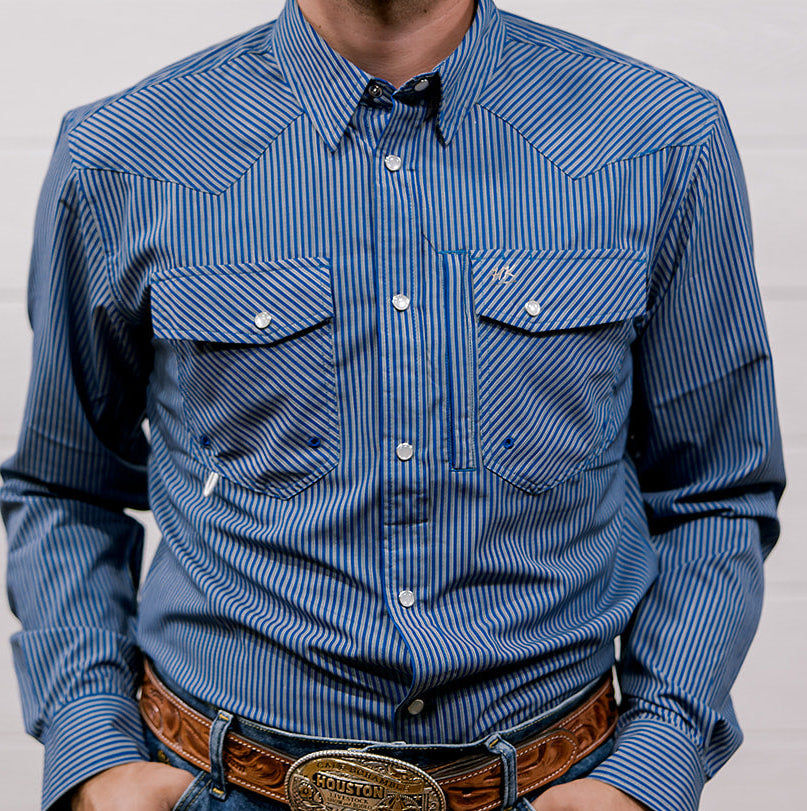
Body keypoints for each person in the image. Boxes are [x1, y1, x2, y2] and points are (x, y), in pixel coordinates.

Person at [1, 0, 785, 810]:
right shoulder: (123, 155)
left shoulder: (660, 139)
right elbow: (65, 486)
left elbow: (714, 490)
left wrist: (650, 761)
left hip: (555, 787)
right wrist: (94, 751)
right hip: (217, 784)